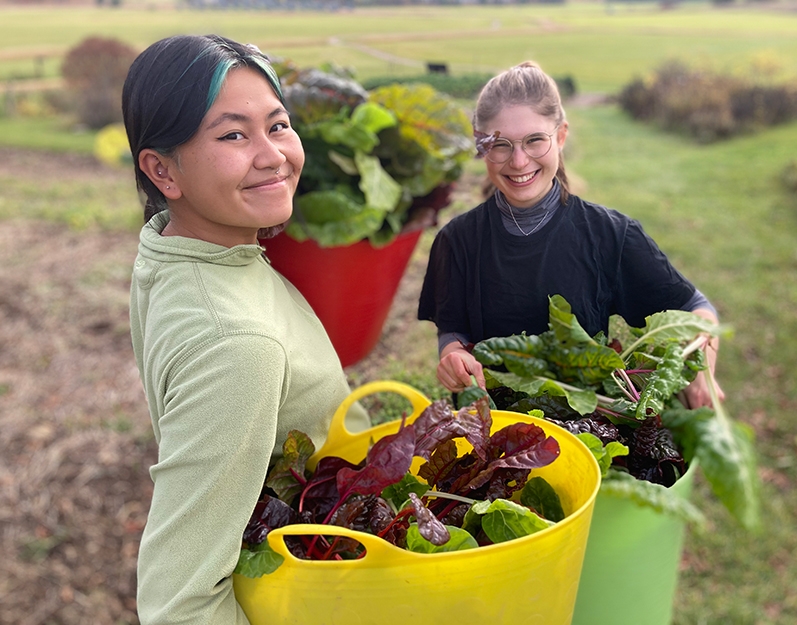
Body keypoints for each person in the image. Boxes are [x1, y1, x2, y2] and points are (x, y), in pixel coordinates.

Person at [122, 34, 368, 624]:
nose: (272, 155)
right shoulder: (235, 346)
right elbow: (177, 604)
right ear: (162, 170)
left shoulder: (180, 246)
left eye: (278, 125)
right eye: (233, 134)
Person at [418, 61, 723, 410]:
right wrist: (453, 354)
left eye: (535, 140)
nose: (518, 162)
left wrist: (703, 370)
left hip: (586, 437)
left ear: (561, 136)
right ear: (482, 147)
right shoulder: (456, 241)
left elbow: (696, 309)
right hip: (487, 436)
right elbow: (453, 329)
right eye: (500, 145)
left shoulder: (610, 235)